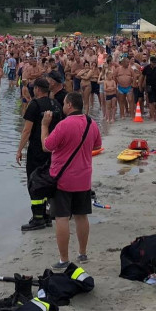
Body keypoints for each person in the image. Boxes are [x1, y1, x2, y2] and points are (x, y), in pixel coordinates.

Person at [41, 92, 102, 269]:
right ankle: (82, 253)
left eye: (64, 103)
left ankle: (64, 259)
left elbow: (46, 146)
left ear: (69, 105)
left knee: (61, 217)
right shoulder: (91, 123)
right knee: (81, 215)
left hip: (62, 178)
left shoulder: (63, 125)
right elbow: (97, 145)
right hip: (83, 177)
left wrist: (44, 125)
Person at [16, 78, 62, 232]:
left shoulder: (34, 105)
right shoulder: (55, 104)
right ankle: (46, 214)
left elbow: (27, 130)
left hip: (36, 149)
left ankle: (38, 218)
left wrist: (19, 150)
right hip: (52, 150)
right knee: (48, 181)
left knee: (34, 182)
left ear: (36, 89)